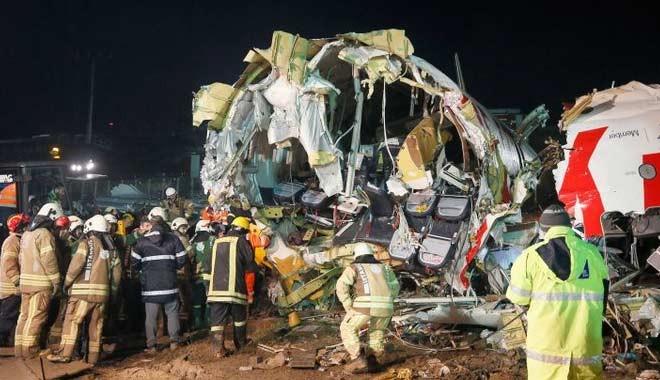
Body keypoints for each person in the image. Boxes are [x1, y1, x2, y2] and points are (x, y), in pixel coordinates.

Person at [506, 204, 609, 380]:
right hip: (585, 348)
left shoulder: (528, 258)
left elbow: (519, 299)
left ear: (542, 229)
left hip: (546, 354)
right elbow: (603, 299)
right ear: (569, 227)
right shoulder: (593, 254)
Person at [47, 215, 112, 364]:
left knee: (72, 321)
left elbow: (76, 266)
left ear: (89, 228)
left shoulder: (86, 244)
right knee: (96, 327)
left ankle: (65, 354)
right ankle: (93, 358)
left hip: (83, 294)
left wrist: (67, 283)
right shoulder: (108, 248)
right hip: (102, 296)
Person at [336, 242, 400, 374]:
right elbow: (395, 287)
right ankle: (372, 360)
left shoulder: (354, 267)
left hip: (365, 305)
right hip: (386, 307)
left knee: (347, 327)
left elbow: (341, 286)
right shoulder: (386, 268)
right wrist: (388, 301)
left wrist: (348, 306)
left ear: (356, 255)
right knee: (376, 331)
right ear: (371, 254)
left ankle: (357, 358)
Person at [131, 207, 187, 352]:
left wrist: (145, 270)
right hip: (170, 284)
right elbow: (182, 259)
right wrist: (170, 267)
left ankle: (152, 345)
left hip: (150, 286)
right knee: (172, 312)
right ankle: (174, 342)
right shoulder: (173, 239)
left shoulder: (142, 242)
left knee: (151, 317)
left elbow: (134, 263)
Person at [15, 202, 63, 357]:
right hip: (41, 284)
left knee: (24, 316)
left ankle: (20, 349)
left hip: (26, 283)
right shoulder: (44, 234)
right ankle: (30, 350)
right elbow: (49, 260)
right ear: (52, 216)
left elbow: (21, 259)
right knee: (36, 316)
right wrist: (56, 281)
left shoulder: (28, 234)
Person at [207, 216, 255, 357]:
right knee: (239, 319)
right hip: (235, 289)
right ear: (243, 230)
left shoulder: (217, 242)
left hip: (216, 290)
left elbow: (210, 266)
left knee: (217, 321)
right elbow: (250, 265)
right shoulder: (241, 241)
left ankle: (217, 349)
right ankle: (241, 344)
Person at [0, 214, 30, 346]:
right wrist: (17, 281)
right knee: (8, 317)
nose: (27, 227)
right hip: (11, 289)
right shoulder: (12, 241)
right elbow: (9, 263)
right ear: (19, 226)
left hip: (13, 287)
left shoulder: (18, 240)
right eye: (25, 225)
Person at [171, 217, 194, 332]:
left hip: (172, 274)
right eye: (183, 227)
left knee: (176, 302)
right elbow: (191, 253)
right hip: (182, 274)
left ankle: (176, 327)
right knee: (185, 300)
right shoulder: (183, 239)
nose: (185, 230)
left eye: (185, 228)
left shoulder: (169, 239)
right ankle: (184, 327)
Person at [190, 219, 214, 331]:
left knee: (197, 299)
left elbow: (189, 257)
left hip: (197, 276)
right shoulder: (213, 240)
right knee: (209, 298)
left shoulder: (192, 241)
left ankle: (197, 322)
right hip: (211, 275)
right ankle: (208, 320)